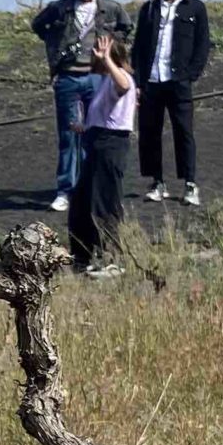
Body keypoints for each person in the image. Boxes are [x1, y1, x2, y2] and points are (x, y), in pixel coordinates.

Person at [31, 0, 128, 213]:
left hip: (96, 76)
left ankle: (86, 186)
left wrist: (114, 48)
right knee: (68, 135)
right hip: (68, 76)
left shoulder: (110, 7)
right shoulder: (60, 7)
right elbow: (38, 25)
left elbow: (126, 26)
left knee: (92, 134)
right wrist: (54, 42)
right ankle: (65, 190)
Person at [131, 0, 213, 206]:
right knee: (150, 133)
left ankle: (190, 184)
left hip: (179, 81)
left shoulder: (195, 8)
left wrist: (192, 74)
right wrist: (138, 81)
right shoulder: (149, 9)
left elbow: (202, 44)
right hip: (152, 81)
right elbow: (138, 47)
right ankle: (157, 182)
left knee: (183, 132)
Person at [68, 28, 135, 275]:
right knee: (82, 201)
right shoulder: (104, 81)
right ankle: (81, 257)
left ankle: (112, 258)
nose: (93, 55)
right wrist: (83, 127)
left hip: (111, 145)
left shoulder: (120, 78)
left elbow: (125, 85)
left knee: (105, 202)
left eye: (98, 51)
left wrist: (107, 59)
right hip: (97, 142)